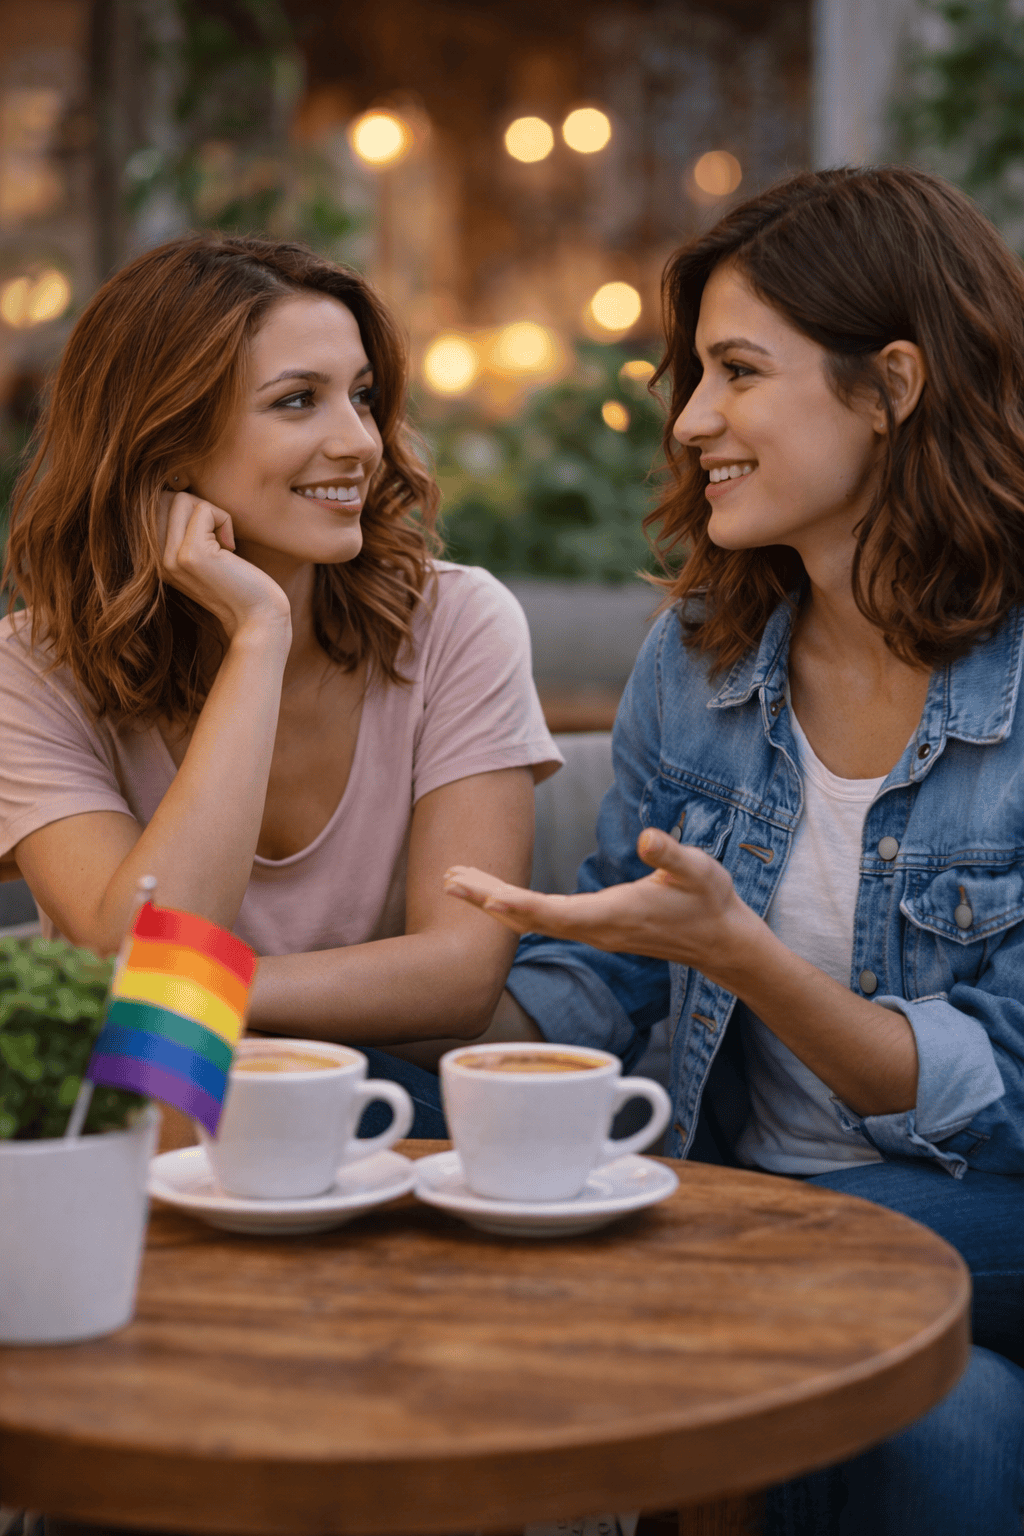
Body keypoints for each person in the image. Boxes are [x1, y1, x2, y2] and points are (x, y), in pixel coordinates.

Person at [445, 167, 1024, 1533]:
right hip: (759, 1220)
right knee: (937, 1420)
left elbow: (1008, 1095)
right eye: (693, 375)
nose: (694, 420)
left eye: (738, 372)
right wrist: (426, 991)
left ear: (893, 385)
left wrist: (744, 957)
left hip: (973, 1208)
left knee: (789, 1272)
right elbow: (606, 985)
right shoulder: (700, 658)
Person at [0, 234, 560, 1134]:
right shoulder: (31, 670)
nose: (359, 443)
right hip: (142, 1123)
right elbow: (128, 945)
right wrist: (258, 636)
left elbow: (460, 975)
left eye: (364, 397)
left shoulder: (457, 623)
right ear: (166, 438)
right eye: (298, 401)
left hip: (377, 1102)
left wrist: (190, 992)